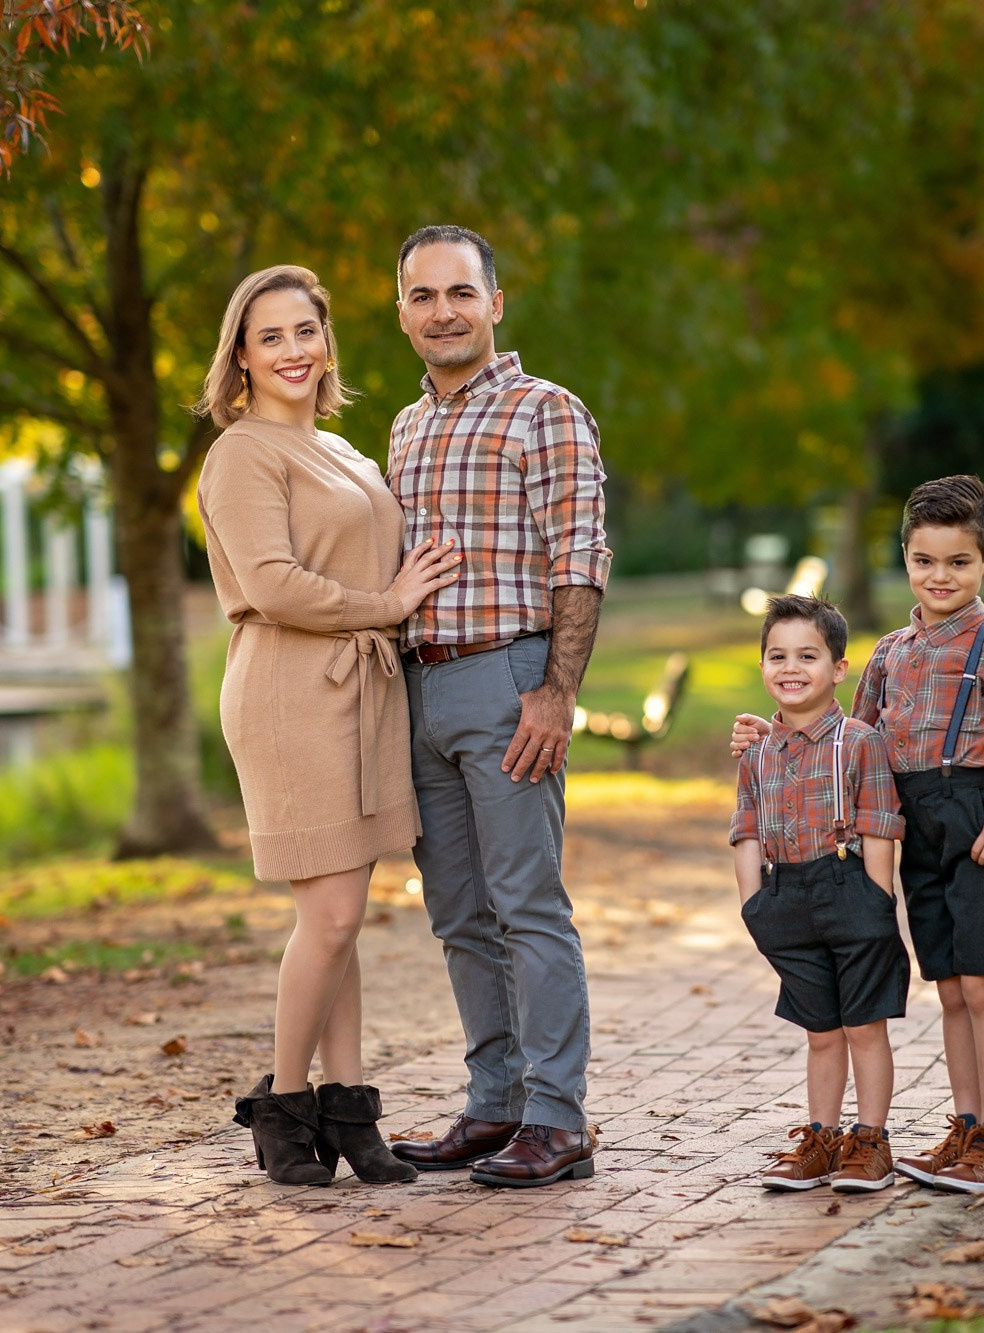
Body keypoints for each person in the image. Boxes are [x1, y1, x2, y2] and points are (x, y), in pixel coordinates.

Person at [194, 264, 463, 1186]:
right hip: (289, 693)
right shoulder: (241, 453)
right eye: (269, 337)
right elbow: (271, 583)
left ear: (327, 339)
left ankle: (349, 1111)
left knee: (339, 919)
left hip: (363, 693)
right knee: (334, 913)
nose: (292, 351)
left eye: (304, 330)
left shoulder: (343, 449)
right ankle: (282, 1104)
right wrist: (388, 603)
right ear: (240, 355)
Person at [733, 476, 984, 1194]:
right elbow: (847, 741)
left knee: (983, 985)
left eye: (958, 561)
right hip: (915, 824)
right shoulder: (890, 652)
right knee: (948, 987)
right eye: (924, 560)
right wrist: (775, 736)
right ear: (907, 559)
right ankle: (965, 1126)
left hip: (982, 820)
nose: (939, 576)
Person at [382, 225, 610, 1189]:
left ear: (495, 303)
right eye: (423, 295)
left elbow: (580, 558)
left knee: (527, 904)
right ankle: (495, 1103)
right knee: (459, 912)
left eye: (460, 293)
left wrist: (557, 693)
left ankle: (557, 1118)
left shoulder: (543, 411)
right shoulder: (405, 427)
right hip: (420, 685)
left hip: (508, 678)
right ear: (402, 312)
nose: (443, 312)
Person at [732, 595, 909, 1193]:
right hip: (784, 897)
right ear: (762, 665)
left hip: (850, 890)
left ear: (838, 668)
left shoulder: (859, 741)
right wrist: (753, 904)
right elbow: (746, 827)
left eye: (808, 656)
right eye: (777, 656)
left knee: (864, 1027)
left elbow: (879, 824)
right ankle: (821, 1140)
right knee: (821, 1033)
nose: (791, 668)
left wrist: (877, 902)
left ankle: (871, 1142)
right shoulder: (755, 752)